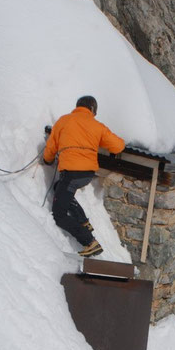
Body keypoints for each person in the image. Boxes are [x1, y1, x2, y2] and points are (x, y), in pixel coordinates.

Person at [43, 95, 125, 257]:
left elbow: (51, 146)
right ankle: (83, 222)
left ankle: (89, 242)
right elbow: (118, 146)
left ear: (77, 106)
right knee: (59, 188)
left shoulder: (63, 121)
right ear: (93, 110)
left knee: (59, 215)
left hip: (71, 173)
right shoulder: (96, 125)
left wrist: (47, 160)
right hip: (86, 174)